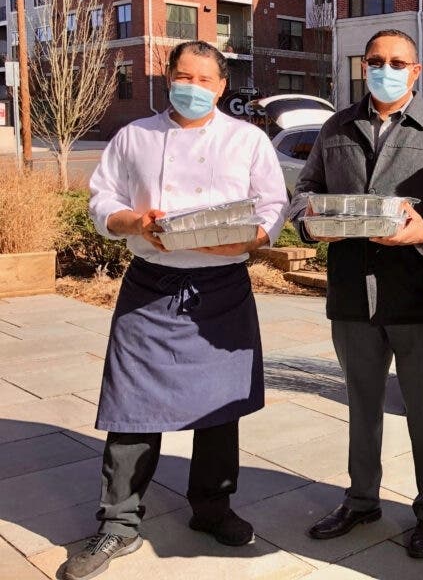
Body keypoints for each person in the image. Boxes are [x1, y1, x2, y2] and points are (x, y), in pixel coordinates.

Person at [62, 40, 288, 580]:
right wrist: (133, 223)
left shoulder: (247, 140)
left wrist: (251, 239)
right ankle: (118, 522)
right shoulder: (134, 136)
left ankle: (212, 507)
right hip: (151, 284)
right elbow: (102, 200)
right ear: (168, 77)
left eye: (205, 80)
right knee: (131, 404)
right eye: (184, 76)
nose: (193, 87)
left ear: (222, 86)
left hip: (222, 287)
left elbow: (273, 207)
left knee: (220, 407)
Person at [294, 29, 423, 559]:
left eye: (398, 62)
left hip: (414, 296)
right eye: (376, 61)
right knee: (361, 406)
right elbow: (305, 192)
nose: (385, 69)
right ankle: (361, 500)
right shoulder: (336, 128)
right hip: (352, 294)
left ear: (416, 71)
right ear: (363, 66)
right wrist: (310, 222)